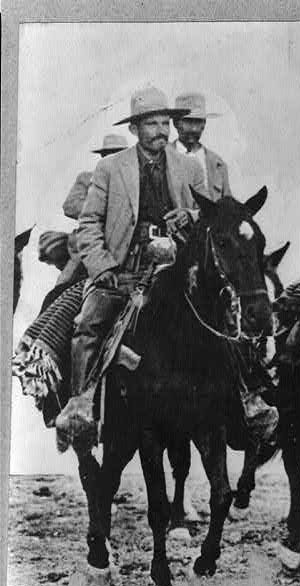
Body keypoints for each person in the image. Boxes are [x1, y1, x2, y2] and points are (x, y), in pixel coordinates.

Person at [55, 86, 206, 432]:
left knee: (222, 314)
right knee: (88, 323)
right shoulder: (110, 168)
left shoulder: (189, 169)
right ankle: (80, 403)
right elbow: (89, 222)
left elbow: (208, 215)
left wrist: (190, 217)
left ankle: (248, 397)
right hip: (123, 271)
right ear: (135, 130)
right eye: (151, 124)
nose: (161, 131)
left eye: (165, 123)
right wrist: (103, 266)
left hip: (176, 269)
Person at [56, 134, 130, 288]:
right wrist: (101, 210)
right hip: (91, 237)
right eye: (109, 154)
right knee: (68, 278)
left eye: (118, 153)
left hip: (124, 239)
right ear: (102, 157)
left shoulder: (132, 183)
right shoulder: (87, 178)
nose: (112, 158)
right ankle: (55, 299)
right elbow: (70, 205)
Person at [171, 92, 232, 201]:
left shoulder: (218, 164)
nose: (194, 129)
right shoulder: (163, 156)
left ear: (204, 124)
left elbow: (227, 204)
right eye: (188, 121)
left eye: (198, 122)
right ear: (176, 123)